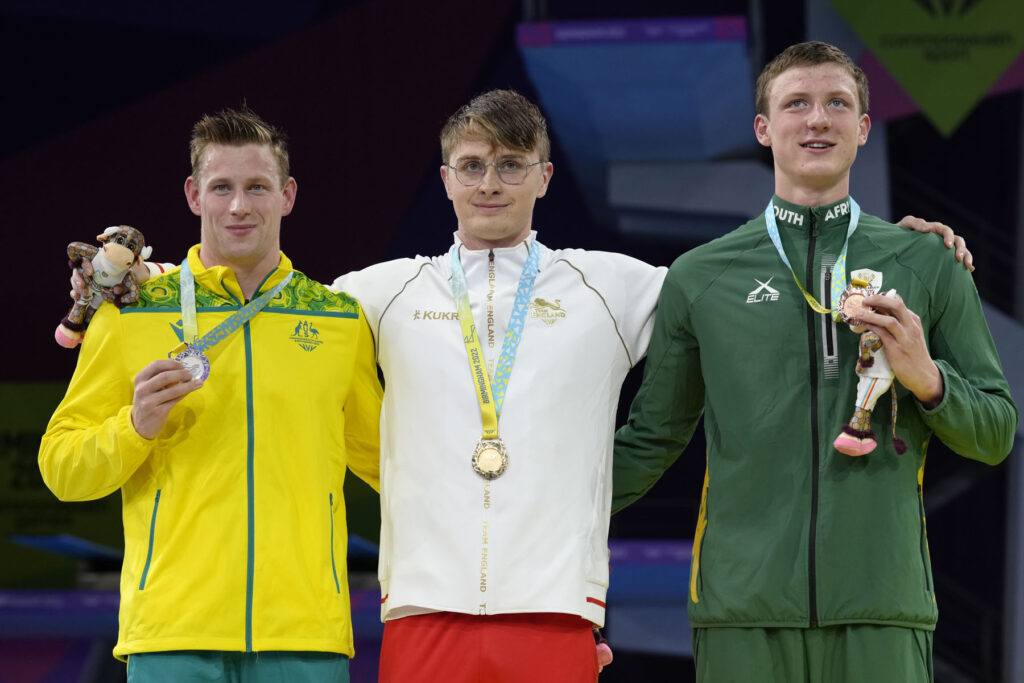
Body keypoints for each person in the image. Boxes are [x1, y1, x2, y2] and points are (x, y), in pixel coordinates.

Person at [67, 90, 974, 683]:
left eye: (510, 164)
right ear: (446, 180)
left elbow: (748, 290)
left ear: (543, 175)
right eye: (472, 165)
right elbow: (253, 303)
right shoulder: (368, 297)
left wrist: (898, 246)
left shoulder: (615, 284)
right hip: (421, 611)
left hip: (555, 613)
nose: (490, 182)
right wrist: (114, 286)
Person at [612, 41, 1017, 683]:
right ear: (764, 129)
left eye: (837, 103)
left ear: (862, 128)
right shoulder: (701, 277)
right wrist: (518, 508)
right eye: (795, 103)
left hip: (883, 603)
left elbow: (995, 433)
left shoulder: (929, 263)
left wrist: (928, 380)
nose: (817, 119)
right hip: (741, 607)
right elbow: (651, 438)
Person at [39, 107, 382, 682]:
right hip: (173, 633)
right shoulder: (131, 311)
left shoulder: (338, 322)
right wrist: (134, 426)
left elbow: (395, 469)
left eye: (257, 187)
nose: (239, 206)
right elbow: (62, 467)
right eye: (222, 187)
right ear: (194, 195)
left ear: (288, 194)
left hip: (303, 633)